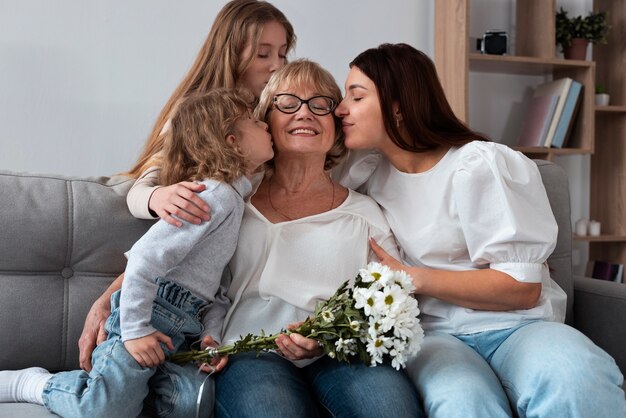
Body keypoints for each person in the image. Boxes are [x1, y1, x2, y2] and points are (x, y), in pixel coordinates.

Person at [333, 42, 626, 417]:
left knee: (576, 375)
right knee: (462, 400)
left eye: (356, 96)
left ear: (398, 107)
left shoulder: (477, 165)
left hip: (519, 328)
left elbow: (521, 289)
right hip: (437, 336)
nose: (341, 108)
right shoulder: (368, 173)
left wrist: (412, 278)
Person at [0, 89, 274, 417]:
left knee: (192, 405)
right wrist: (134, 332)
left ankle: (128, 386)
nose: (265, 124)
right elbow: (144, 257)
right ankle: (32, 384)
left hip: (185, 331)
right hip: (148, 314)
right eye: (254, 121)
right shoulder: (213, 196)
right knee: (102, 410)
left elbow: (217, 285)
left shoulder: (232, 201)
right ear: (231, 141)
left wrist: (212, 335)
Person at [78, 0, 295, 372]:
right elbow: (146, 204)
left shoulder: (272, 122)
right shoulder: (196, 118)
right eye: (263, 53)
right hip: (173, 288)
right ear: (232, 53)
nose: (277, 64)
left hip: (220, 293)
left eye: (282, 53)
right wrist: (160, 196)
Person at [214, 59, 423, 418]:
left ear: (336, 126)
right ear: (266, 120)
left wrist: (324, 340)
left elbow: (394, 299)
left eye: (320, 104)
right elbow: (185, 265)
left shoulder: (364, 214)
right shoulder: (233, 201)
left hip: (343, 352)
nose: (305, 113)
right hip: (251, 351)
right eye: (288, 102)